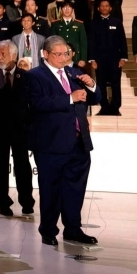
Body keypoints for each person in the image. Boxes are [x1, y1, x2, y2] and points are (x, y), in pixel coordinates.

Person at [26, 36, 101, 246]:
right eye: (58, 54)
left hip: (78, 143)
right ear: (46, 55)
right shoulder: (35, 76)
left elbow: (96, 99)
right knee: (51, 190)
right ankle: (48, 230)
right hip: (51, 144)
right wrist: (70, 97)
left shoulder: (74, 72)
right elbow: (36, 103)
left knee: (75, 189)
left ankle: (73, 229)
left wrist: (92, 84)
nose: (63, 58)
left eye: (66, 53)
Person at [0, 41, 34, 217]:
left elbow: (31, 104)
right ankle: (3, 203)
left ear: (14, 56)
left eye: (3, 54)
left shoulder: (26, 76)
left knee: (22, 166)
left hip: (20, 129)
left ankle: (27, 201)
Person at [88, 0, 127, 115]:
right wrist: (92, 59)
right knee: (101, 83)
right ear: (98, 8)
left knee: (116, 83)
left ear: (110, 8)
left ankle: (115, 108)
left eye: (107, 6)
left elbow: (122, 41)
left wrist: (123, 58)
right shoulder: (94, 23)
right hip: (99, 60)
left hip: (115, 60)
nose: (104, 8)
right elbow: (91, 42)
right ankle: (104, 107)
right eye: (102, 6)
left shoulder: (117, 22)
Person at [50, 1, 87, 69]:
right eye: (64, 7)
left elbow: (83, 43)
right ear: (61, 10)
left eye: (69, 7)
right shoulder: (55, 24)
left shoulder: (79, 24)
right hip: (59, 57)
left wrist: (83, 59)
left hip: (75, 58)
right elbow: (52, 43)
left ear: (72, 10)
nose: (67, 10)